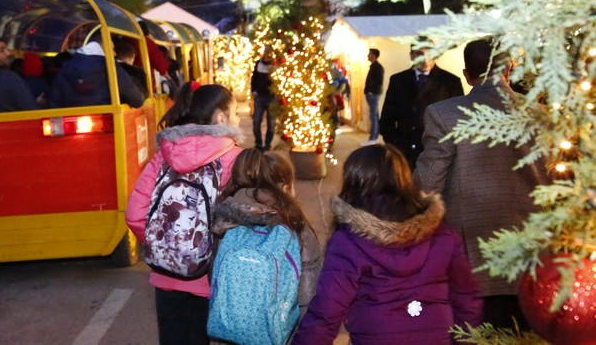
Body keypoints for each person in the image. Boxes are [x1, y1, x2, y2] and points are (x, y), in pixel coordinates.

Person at [414, 39, 549, 330]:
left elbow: (426, 185)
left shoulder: (444, 115)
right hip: (533, 255)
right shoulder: (542, 115)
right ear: (509, 68)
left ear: (466, 75)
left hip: (472, 258)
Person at [293, 144, 482, 344]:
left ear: (352, 184)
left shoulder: (348, 242)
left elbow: (327, 312)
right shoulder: (442, 234)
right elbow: (466, 298)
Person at [126, 82, 243, 345]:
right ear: (221, 117)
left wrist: (167, 244)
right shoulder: (235, 159)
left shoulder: (164, 155)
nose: (238, 119)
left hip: (166, 276)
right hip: (211, 278)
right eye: (236, 113)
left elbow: (134, 213)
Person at [212, 148, 322, 315]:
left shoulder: (226, 218)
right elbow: (307, 292)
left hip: (229, 327)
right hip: (279, 330)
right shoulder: (296, 226)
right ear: (285, 188)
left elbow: (213, 274)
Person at [379, 42, 463, 168]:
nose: (425, 58)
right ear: (411, 56)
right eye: (420, 54)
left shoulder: (450, 82)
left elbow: (458, 122)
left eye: (430, 53)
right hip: (404, 154)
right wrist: (395, 145)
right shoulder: (398, 80)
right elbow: (387, 119)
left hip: (437, 155)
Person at [49, 31, 144, 109]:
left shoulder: (65, 67)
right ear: (104, 48)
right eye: (112, 49)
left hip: (71, 125)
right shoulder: (110, 67)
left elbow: (55, 101)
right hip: (108, 123)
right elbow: (136, 99)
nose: (115, 54)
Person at [250, 44, 276, 151]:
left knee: (271, 123)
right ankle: (259, 144)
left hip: (272, 98)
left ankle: (268, 145)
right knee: (256, 122)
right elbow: (254, 78)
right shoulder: (258, 64)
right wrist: (254, 91)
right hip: (260, 97)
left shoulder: (275, 65)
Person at [363, 48, 384, 144]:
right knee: (374, 115)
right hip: (372, 94)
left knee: (373, 116)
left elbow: (379, 81)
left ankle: (373, 137)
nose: (368, 56)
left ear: (374, 56)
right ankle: (375, 136)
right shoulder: (373, 67)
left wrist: (371, 90)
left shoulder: (377, 67)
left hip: (373, 94)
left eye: (369, 54)